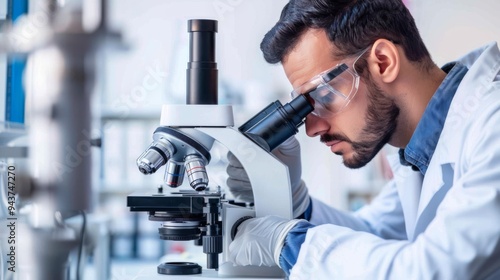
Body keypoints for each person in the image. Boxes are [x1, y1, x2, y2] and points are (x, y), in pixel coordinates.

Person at [226, 0, 500, 279]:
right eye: (304, 105)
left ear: (383, 62)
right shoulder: (421, 151)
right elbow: (375, 233)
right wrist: (294, 200)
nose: (312, 128)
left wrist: (288, 243)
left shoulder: (493, 126)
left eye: (323, 95)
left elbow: (436, 269)